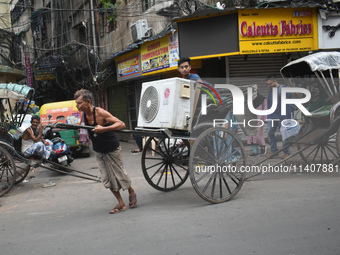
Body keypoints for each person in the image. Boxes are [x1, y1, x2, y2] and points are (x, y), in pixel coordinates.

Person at [74, 89, 137, 214]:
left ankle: (131, 191)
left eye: (80, 103)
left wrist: (103, 129)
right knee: (107, 178)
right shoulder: (83, 115)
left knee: (120, 174)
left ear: (88, 102)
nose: (78, 106)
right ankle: (121, 203)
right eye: (76, 103)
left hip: (112, 148)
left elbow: (121, 124)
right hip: (99, 150)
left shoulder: (100, 112)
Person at [266, 75, 292, 159]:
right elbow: (269, 103)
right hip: (272, 116)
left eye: (270, 84)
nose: (268, 86)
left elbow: (288, 104)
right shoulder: (271, 90)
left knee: (284, 134)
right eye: (267, 84)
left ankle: (286, 152)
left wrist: (287, 117)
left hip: (282, 116)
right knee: (270, 133)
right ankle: (274, 151)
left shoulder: (283, 89)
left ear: (275, 81)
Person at [247, 85, 267, 157]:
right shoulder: (248, 99)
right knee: (251, 135)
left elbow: (265, 108)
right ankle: (255, 152)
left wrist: (265, 118)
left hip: (259, 118)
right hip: (250, 119)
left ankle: (263, 147)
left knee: (258, 135)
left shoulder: (262, 99)